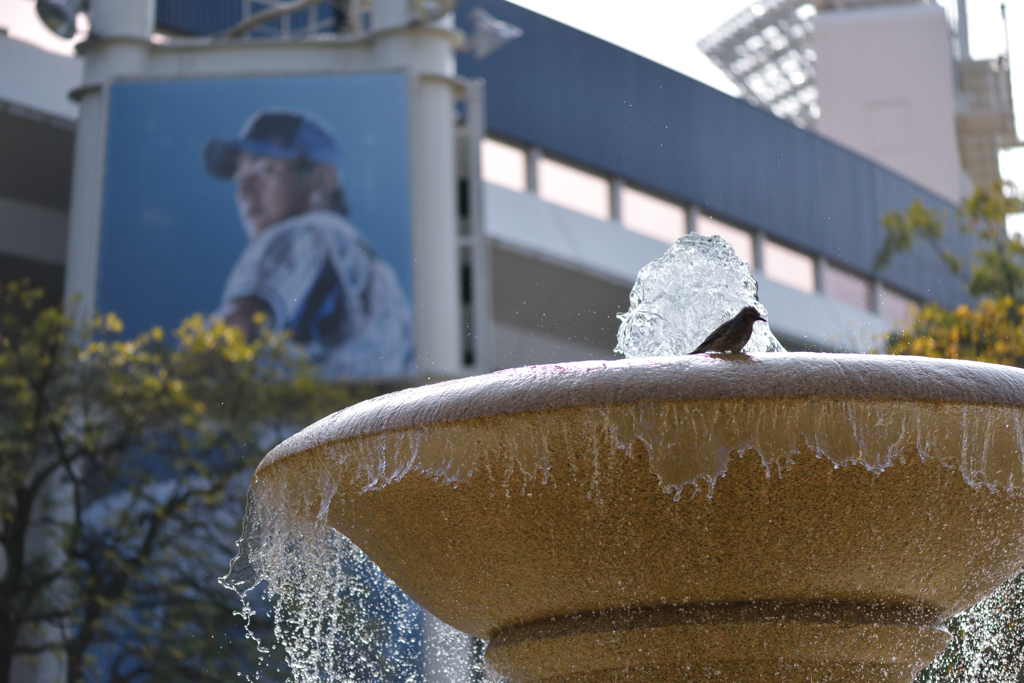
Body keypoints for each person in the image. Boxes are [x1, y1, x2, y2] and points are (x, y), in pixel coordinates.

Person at [204, 110, 414, 379]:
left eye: (264, 168)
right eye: (240, 174)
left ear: (321, 178)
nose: (245, 187)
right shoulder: (352, 246)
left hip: (324, 418)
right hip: (368, 413)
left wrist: (180, 380)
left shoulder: (305, 232)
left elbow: (241, 324)